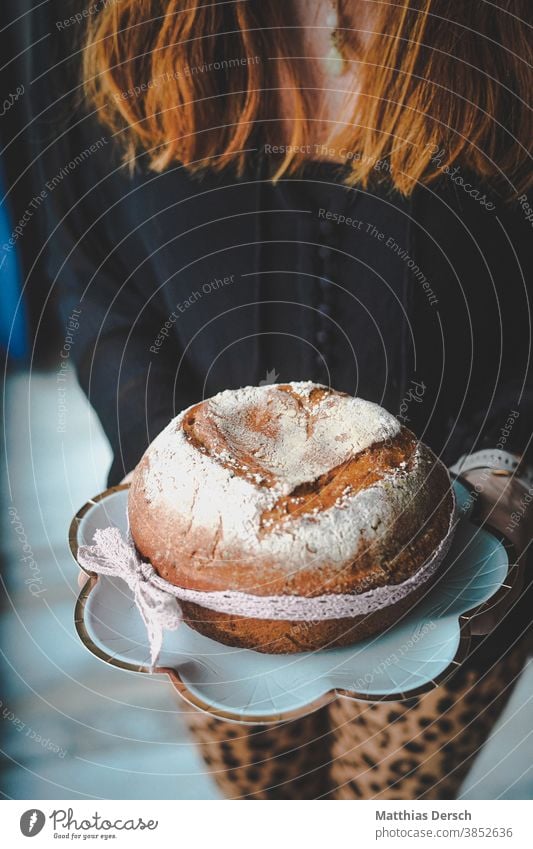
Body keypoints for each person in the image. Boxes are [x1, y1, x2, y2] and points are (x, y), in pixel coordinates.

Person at [42, 0, 532, 798]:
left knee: (384, 815)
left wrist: (509, 455)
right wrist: (157, 473)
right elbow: (95, 273)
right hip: (199, 566)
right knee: (261, 806)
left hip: (467, 540)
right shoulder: (95, 20)